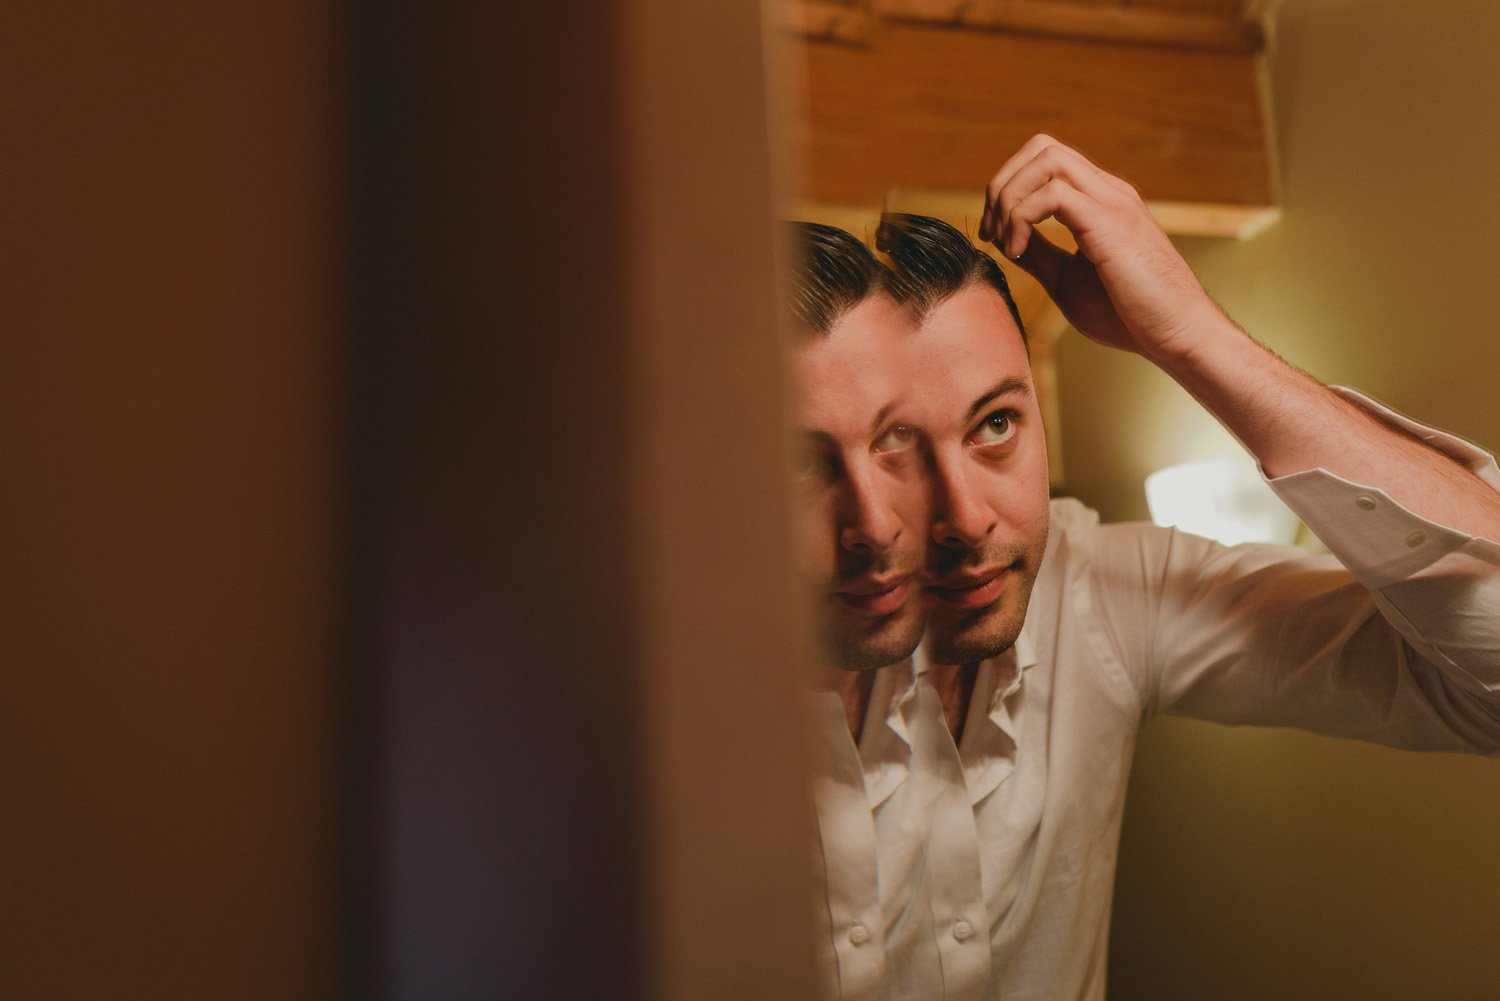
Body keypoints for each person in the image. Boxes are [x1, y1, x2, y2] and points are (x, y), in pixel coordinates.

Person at [800, 136, 1500, 1001]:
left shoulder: (1099, 592)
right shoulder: (654, 720)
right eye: (891, 446)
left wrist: (1190, 336)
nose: (964, 517)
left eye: (994, 425)